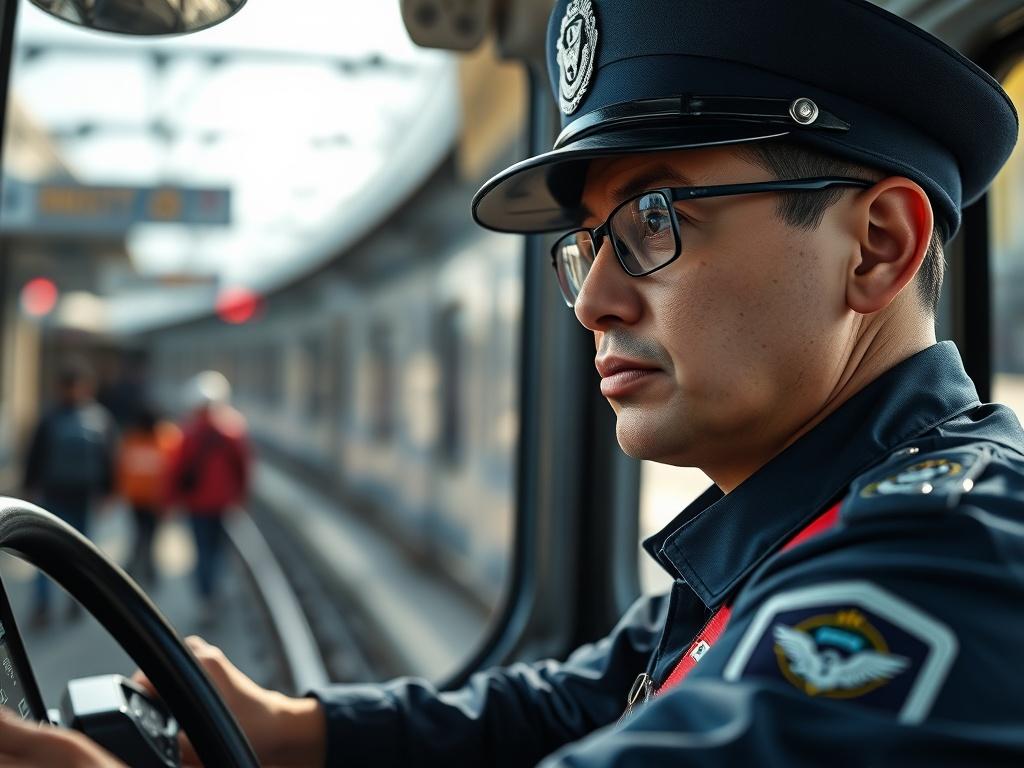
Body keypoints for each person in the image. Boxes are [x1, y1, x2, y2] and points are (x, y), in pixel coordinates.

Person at [4, 0, 1024, 764]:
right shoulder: (787, 532)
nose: (594, 303)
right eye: (588, 247)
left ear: (879, 248)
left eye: (657, 220)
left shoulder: (950, 559)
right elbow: (582, 700)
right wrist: (297, 731)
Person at [21, 358, 116, 629]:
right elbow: (36, 456)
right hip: (60, 494)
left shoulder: (57, 417)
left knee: (72, 551)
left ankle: (70, 600)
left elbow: (108, 459)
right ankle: (49, 604)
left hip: (77, 495)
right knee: (50, 550)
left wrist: (108, 491)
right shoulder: (93, 418)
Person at [167, 371, 250, 625]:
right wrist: (241, 495)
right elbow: (243, 467)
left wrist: (171, 500)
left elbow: (176, 469)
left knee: (202, 551)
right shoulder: (233, 430)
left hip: (196, 504)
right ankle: (216, 591)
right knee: (218, 550)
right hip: (223, 502)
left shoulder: (189, 433)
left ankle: (206, 597)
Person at [116, 404, 181, 588]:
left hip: (138, 498)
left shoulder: (132, 439)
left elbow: (121, 467)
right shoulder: (166, 440)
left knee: (141, 534)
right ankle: (147, 571)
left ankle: (136, 569)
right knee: (149, 536)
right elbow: (173, 472)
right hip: (153, 500)